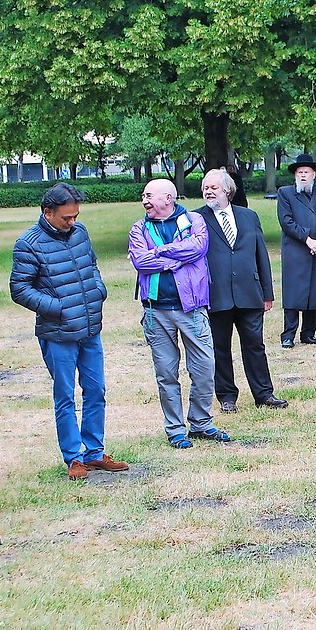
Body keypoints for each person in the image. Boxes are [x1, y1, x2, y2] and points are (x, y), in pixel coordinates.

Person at [10, 183, 130, 479]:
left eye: (76, 216)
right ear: (47, 212)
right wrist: (58, 307)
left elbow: (92, 266)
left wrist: (97, 290)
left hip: (90, 328)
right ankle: (74, 457)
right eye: (66, 218)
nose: (72, 222)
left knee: (96, 390)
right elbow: (19, 289)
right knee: (65, 395)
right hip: (57, 333)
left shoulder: (81, 234)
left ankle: (94, 452)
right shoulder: (28, 244)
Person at [128, 179, 221, 449]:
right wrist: (177, 258)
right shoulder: (139, 228)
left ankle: (201, 423)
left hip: (191, 309)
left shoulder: (194, 221)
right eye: (144, 196)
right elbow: (140, 261)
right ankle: (175, 430)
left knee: (204, 368)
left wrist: (159, 252)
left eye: (149, 196)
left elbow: (199, 248)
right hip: (156, 311)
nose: (144, 200)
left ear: (168, 198)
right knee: (166, 374)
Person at [197, 169, 289, 413]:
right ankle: (227, 397)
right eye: (205, 188)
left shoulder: (249, 216)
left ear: (227, 190)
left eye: (213, 188)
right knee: (220, 348)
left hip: (249, 292)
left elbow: (261, 255)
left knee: (255, 345)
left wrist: (267, 293)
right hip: (215, 295)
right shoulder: (195, 219)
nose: (208, 192)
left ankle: (264, 394)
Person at [276, 152, 316, 347]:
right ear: (295, 175)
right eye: (299, 172)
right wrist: (307, 238)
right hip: (295, 250)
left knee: (314, 291)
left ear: (314, 175)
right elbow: (286, 222)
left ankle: (308, 333)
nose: (302, 175)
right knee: (294, 292)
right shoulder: (285, 193)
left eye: (306, 172)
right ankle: (288, 335)